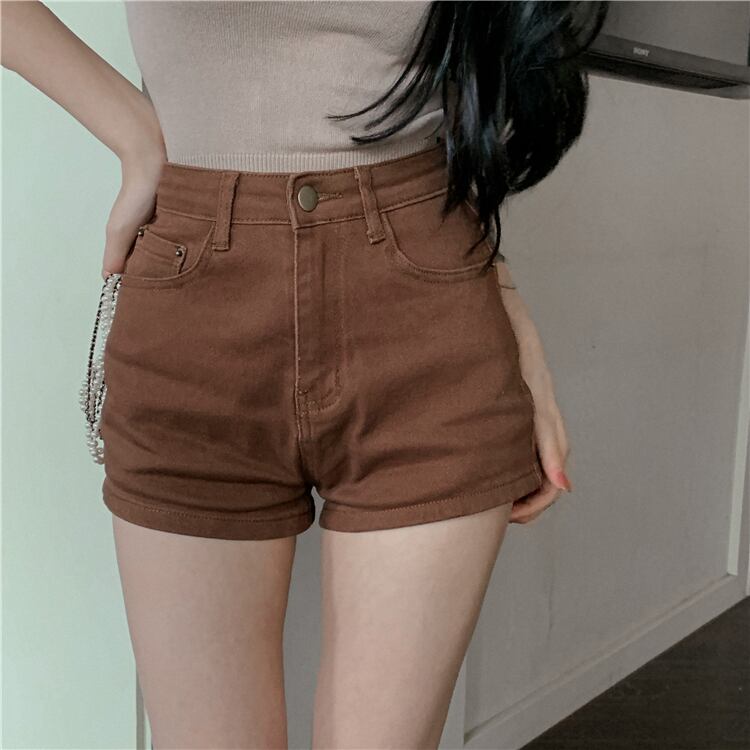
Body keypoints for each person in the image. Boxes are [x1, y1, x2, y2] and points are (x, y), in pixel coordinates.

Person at [2, 1, 605, 747]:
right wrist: (134, 131)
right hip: (195, 318)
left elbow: (462, 102)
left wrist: (511, 321)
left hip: (429, 306)